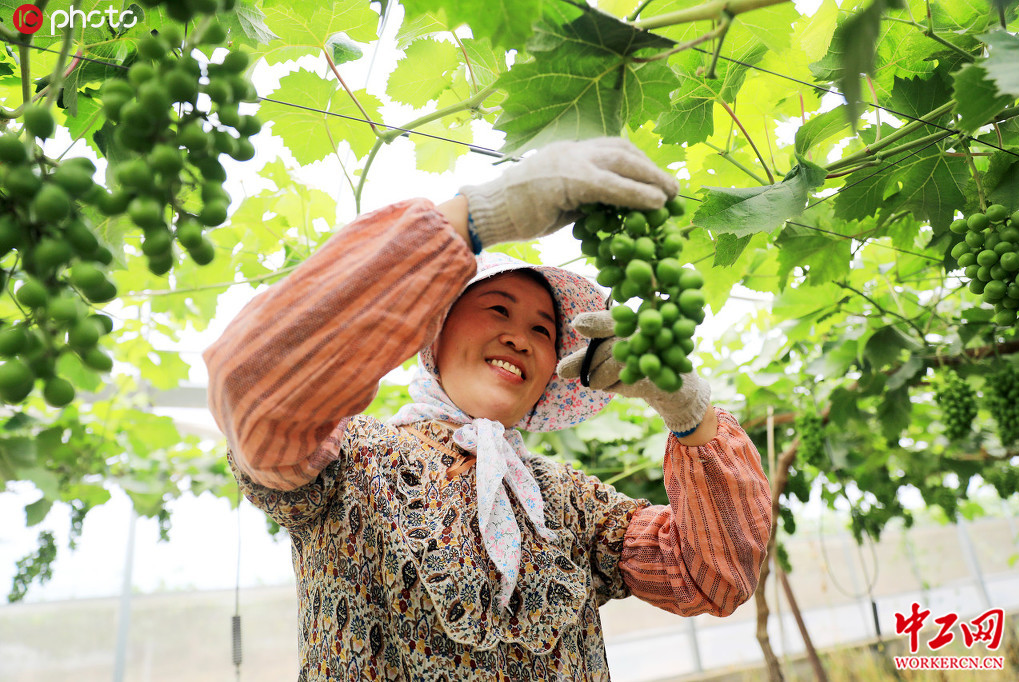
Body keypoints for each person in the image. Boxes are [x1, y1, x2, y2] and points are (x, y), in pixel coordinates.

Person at [204, 137, 771, 681]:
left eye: (543, 331)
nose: (520, 338)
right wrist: (475, 216)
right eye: (497, 309)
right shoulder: (347, 463)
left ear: (552, 373)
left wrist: (690, 414)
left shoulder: (570, 503)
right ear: (435, 334)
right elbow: (254, 388)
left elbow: (711, 577)